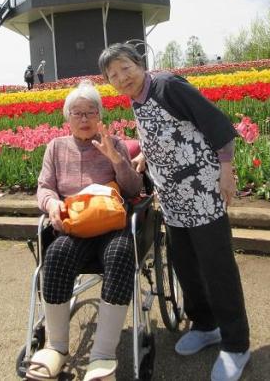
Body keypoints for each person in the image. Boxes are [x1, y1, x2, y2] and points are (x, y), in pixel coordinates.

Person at [98, 43, 250, 381]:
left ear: (139, 63)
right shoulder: (137, 99)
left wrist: (226, 171)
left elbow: (215, 123)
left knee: (217, 267)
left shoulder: (167, 86)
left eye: (125, 68)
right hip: (172, 198)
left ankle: (236, 343)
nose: (122, 78)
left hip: (202, 191)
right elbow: (163, 132)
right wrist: (145, 155)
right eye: (113, 75)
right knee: (185, 264)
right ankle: (206, 324)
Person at [26, 81, 142, 381]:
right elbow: (45, 188)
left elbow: (133, 190)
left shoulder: (113, 144)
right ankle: (56, 347)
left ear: (100, 115)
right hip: (74, 226)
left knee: (121, 254)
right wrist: (52, 204)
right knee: (56, 254)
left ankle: (102, 353)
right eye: (77, 113)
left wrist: (116, 159)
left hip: (110, 224)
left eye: (91, 112)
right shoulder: (56, 147)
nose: (84, 118)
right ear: (67, 117)